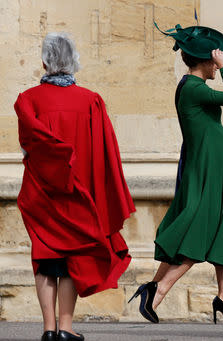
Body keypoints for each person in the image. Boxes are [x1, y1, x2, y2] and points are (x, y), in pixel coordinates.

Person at [129, 24, 223, 324]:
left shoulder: (194, 87)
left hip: (217, 165)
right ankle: (158, 289)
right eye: (214, 61)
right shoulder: (194, 87)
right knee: (201, 228)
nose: (217, 65)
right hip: (209, 167)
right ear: (205, 62)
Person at [14, 32, 135, 341]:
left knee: (45, 257)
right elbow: (106, 153)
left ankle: (48, 330)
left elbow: (29, 144)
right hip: (79, 194)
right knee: (72, 259)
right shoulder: (91, 101)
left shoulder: (27, 100)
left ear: (44, 61)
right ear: (73, 62)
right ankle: (66, 328)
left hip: (41, 193)